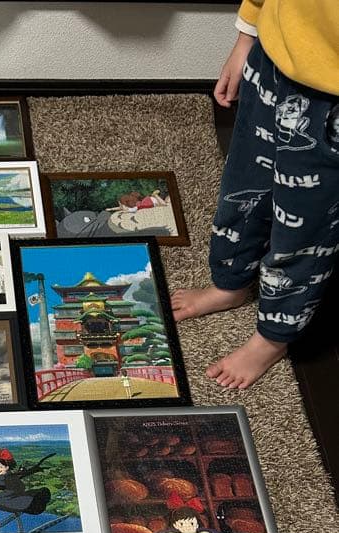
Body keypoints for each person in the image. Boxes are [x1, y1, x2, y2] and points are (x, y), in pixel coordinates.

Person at [171, 1, 339, 389]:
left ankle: (273, 336)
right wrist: (246, 35)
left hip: (331, 98)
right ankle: (229, 283)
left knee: (306, 226)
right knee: (243, 185)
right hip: (272, 56)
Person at [0, 447, 52, 533]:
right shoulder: (12, 475)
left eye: (0, 467)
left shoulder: (3, 476)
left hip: (11, 500)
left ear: (7, 466)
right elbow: (5, 487)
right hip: (21, 499)